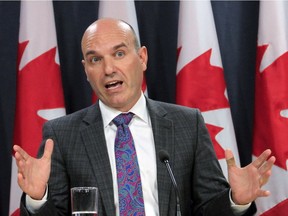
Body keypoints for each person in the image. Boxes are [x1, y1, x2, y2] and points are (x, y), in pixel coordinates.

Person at [14, 18, 275, 216]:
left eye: (119, 53)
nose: (108, 69)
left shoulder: (187, 124)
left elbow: (208, 208)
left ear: (142, 58)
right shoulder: (61, 134)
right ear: (86, 70)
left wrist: (236, 200)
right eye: (95, 59)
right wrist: (38, 199)